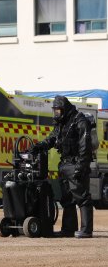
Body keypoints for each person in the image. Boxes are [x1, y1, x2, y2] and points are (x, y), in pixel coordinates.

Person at [31, 96, 93, 238]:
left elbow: (85, 146)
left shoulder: (79, 121)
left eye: (58, 110)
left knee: (82, 197)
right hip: (64, 163)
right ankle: (68, 229)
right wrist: (39, 146)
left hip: (76, 163)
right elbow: (52, 138)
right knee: (67, 198)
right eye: (55, 110)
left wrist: (81, 166)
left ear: (64, 109)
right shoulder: (61, 123)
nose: (56, 113)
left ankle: (86, 230)